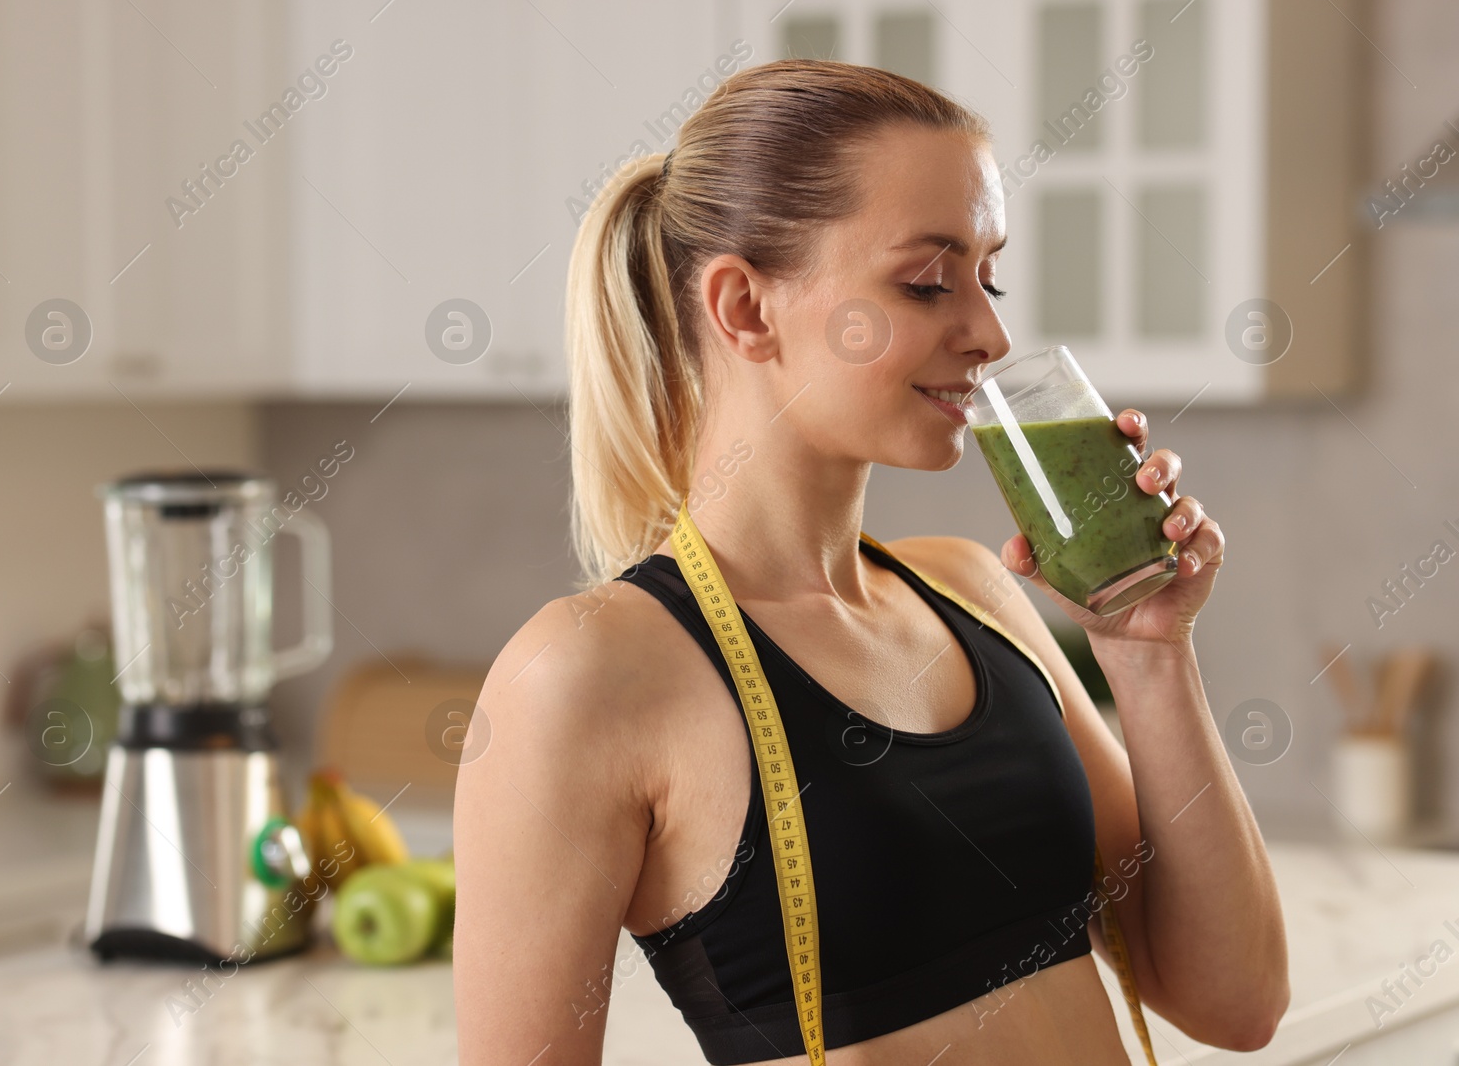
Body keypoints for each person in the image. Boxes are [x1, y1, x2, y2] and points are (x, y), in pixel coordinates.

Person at [454, 59, 1288, 1065]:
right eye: (926, 281)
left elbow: (1234, 1003)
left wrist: (1150, 652)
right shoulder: (586, 673)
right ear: (746, 310)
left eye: (989, 275)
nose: (989, 330)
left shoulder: (975, 595)